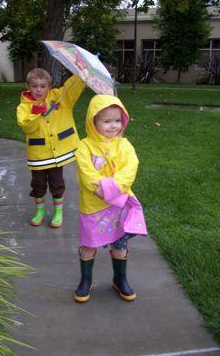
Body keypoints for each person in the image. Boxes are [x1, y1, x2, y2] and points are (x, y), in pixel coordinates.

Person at [74, 94, 147, 302]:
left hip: (119, 205)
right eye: (106, 121)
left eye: (117, 120)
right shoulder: (84, 146)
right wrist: (104, 190)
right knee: (89, 244)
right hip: (92, 205)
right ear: (92, 121)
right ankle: (85, 280)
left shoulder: (124, 146)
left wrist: (111, 189)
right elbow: (88, 175)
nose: (113, 125)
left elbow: (130, 169)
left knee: (119, 243)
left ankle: (120, 278)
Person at [17, 68, 85, 228]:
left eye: (43, 86)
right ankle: (40, 211)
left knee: (57, 183)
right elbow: (26, 126)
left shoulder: (60, 97)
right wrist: (37, 112)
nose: (39, 90)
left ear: (49, 86)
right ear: (28, 86)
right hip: (39, 155)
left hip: (58, 153)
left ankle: (58, 212)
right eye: (35, 86)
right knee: (38, 184)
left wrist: (82, 73)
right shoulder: (24, 107)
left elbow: (72, 86)